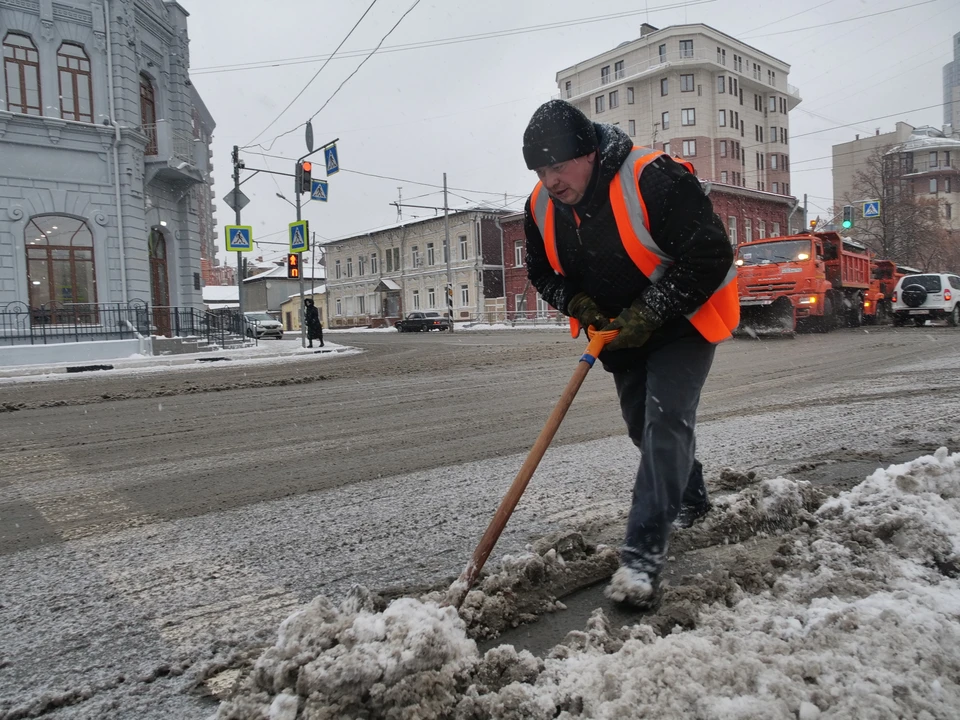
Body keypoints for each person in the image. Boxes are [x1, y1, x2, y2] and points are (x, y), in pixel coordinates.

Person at [521, 99, 738, 609]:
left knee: (666, 422)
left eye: (559, 165)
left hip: (684, 319)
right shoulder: (539, 208)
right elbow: (539, 271)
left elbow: (710, 254)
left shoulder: (653, 178)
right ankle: (692, 498)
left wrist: (649, 313)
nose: (550, 180)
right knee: (643, 425)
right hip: (619, 333)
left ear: (591, 152)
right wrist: (574, 301)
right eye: (540, 169)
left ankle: (641, 556)